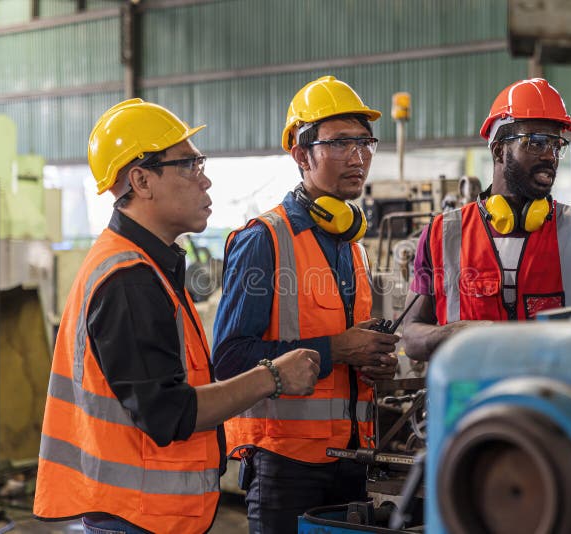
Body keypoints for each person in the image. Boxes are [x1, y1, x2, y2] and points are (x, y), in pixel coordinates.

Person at [32, 99, 320, 534]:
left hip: (145, 512)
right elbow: (170, 413)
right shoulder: (128, 280)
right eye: (189, 165)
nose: (204, 180)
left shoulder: (146, 265)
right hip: (137, 517)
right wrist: (272, 376)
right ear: (142, 180)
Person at [212, 75, 400, 534]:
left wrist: (374, 363)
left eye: (365, 142)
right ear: (301, 154)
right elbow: (229, 359)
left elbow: (349, 348)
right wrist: (339, 349)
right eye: (340, 144)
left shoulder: (353, 246)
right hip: (286, 467)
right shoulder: (263, 240)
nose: (358, 158)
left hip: (353, 460)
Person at [403, 78, 571, 361]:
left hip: (552, 400)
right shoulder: (443, 234)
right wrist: (455, 334)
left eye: (556, 145)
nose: (550, 156)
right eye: (536, 143)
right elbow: (410, 336)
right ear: (499, 150)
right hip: (470, 400)